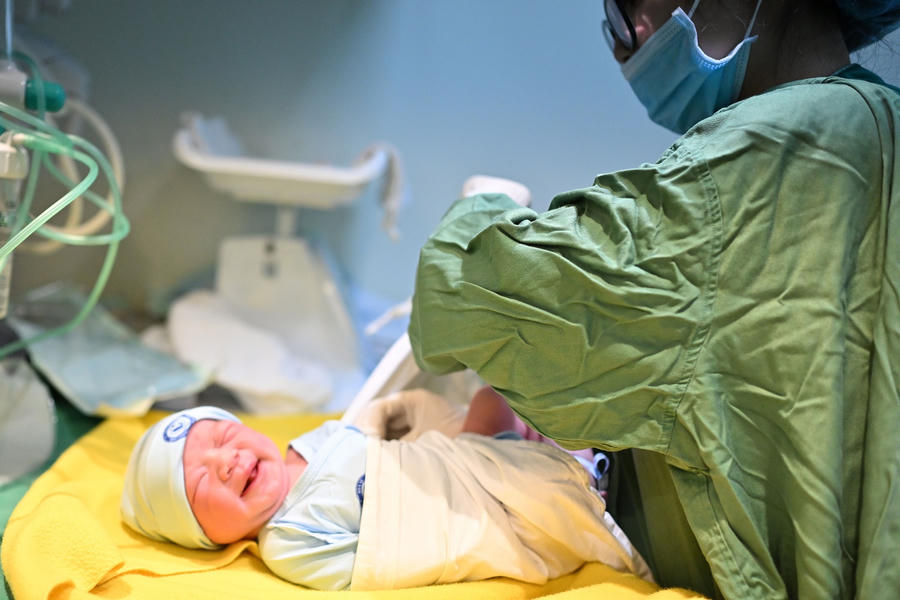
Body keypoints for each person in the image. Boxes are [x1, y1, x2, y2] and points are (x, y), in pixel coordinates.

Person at [406, 1, 900, 599]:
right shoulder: (879, 123)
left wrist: (482, 207)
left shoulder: (757, 159)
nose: (626, 43)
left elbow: (464, 295)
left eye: (625, 10)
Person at [120, 395, 651, 592]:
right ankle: (579, 473)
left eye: (221, 437)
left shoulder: (309, 443)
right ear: (207, 537)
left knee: (490, 398)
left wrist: (400, 415)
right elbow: (394, 553)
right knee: (537, 490)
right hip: (475, 508)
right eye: (201, 482)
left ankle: (554, 453)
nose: (226, 461)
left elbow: (372, 435)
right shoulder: (288, 540)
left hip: (457, 461)